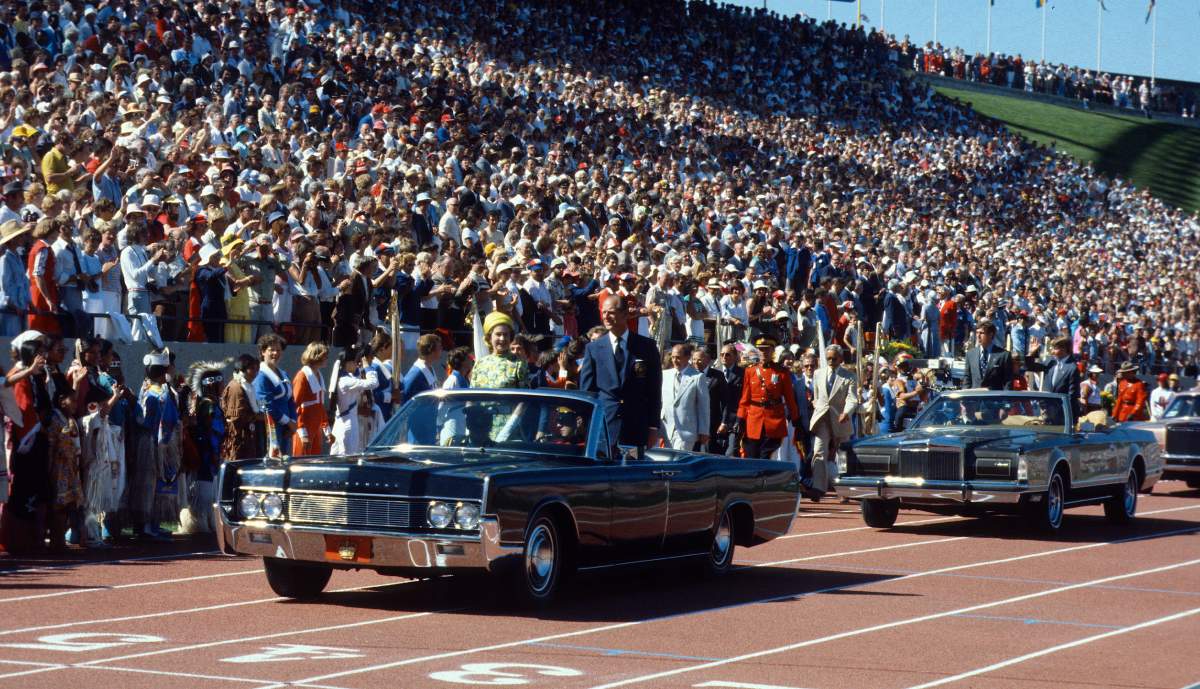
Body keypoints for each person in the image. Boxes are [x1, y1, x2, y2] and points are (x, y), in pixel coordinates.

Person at [580, 295, 663, 451]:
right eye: (603, 312)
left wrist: (653, 427)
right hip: (603, 427)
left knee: (632, 472)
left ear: (625, 314)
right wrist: (587, 424)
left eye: (611, 312)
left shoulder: (646, 346)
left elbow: (653, 390)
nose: (606, 317)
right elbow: (587, 391)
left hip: (636, 426)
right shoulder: (594, 348)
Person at [179, 361, 225, 534]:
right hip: (206, 451)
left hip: (212, 450)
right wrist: (212, 451)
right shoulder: (208, 404)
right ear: (212, 384)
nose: (223, 385)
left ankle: (206, 521)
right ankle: (198, 522)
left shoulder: (210, 402)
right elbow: (207, 430)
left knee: (210, 488)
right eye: (221, 383)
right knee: (204, 488)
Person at [737, 337, 798, 459]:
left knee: (767, 455)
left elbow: (790, 398)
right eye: (761, 350)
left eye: (767, 350)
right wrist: (741, 417)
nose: (764, 353)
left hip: (773, 420)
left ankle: (766, 478)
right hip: (754, 420)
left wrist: (796, 417)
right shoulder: (750, 371)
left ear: (773, 351)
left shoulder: (782, 372)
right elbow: (745, 398)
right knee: (752, 455)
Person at [809, 345, 858, 496]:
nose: (831, 361)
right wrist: (817, 406)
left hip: (840, 419)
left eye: (834, 358)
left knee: (842, 455)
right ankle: (818, 487)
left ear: (841, 359)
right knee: (819, 451)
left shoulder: (849, 376)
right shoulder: (818, 373)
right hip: (822, 419)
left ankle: (844, 490)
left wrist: (847, 412)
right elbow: (817, 396)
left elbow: (852, 399)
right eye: (828, 358)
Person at [329, 345, 380, 455]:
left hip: (343, 423)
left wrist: (361, 367)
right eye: (354, 361)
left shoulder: (346, 378)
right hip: (348, 425)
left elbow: (357, 375)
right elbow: (373, 383)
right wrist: (367, 366)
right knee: (348, 458)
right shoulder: (346, 381)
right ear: (347, 363)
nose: (357, 364)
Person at [660, 343, 710, 451]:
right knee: (666, 462)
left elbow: (704, 406)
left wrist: (704, 431)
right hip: (666, 428)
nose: (674, 360)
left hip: (686, 430)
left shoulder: (697, 377)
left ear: (687, 358)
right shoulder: (665, 375)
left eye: (678, 357)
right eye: (673, 357)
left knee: (677, 462)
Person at [253, 334, 295, 456]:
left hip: (286, 429)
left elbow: (291, 399)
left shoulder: (283, 373)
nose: (276, 353)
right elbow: (267, 406)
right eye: (272, 350)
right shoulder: (260, 377)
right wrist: (289, 422)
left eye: (279, 350)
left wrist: (293, 421)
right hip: (271, 429)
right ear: (262, 352)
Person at [1025, 335, 1082, 422]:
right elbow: (1031, 367)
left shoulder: (1072, 368)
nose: (1052, 351)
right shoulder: (1051, 361)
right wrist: (1031, 353)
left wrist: (1057, 412)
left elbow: (1072, 396)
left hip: (1063, 416)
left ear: (1064, 349)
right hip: (1047, 412)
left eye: (1055, 348)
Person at [221, 354, 265, 460]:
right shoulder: (236, 387)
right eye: (252, 369)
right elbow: (236, 417)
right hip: (238, 439)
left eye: (257, 369)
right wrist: (256, 417)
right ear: (243, 369)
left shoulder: (248, 386)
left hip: (248, 438)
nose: (256, 372)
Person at [470, 312, 529, 389]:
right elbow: (472, 394)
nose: (502, 338)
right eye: (498, 334)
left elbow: (523, 398)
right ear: (489, 337)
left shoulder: (519, 364)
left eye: (505, 334)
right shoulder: (480, 363)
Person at [293, 343, 331, 456]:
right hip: (305, 425)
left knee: (314, 463)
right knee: (301, 464)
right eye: (325, 356)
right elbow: (295, 405)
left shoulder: (319, 375)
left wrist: (327, 429)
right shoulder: (302, 376)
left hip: (316, 427)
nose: (327, 358)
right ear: (316, 356)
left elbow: (320, 405)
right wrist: (301, 431)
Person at [0, 220, 33, 336]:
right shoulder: (5, 260)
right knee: (9, 342)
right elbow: (4, 286)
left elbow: (24, 283)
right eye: (21, 235)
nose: (24, 238)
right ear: (13, 239)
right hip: (10, 310)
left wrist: (30, 302)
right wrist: (13, 305)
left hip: (21, 308)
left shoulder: (17, 258)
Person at [694, 348, 727, 454]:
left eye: (699, 359)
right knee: (693, 451)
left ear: (708, 360)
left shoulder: (718, 376)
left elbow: (725, 401)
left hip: (712, 422)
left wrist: (724, 422)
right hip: (693, 421)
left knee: (710, 451)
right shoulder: (690, 374)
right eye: (693, 359)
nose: (695, 362)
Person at [966, 322, 1013, 390]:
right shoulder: (970, 354)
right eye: (977, 332)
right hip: (975, 397)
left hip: (994, 398)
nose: (978, 336)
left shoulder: (1003, 355)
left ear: (991, 334)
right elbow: (967, 378)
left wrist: (1005, 399)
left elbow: (1008, 381)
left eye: (981, 333)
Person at [402, 333, 446, 402]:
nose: (442, 349)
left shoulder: (430, 368)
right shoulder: (415, 374)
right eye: (439, 347)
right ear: (431, 350)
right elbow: (405, 399)